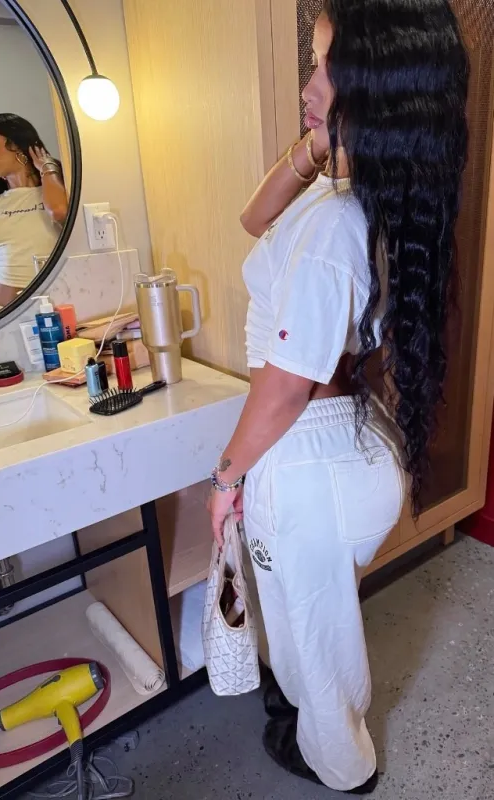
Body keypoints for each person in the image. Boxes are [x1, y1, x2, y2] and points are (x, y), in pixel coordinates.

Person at [208, 0, 469, 794]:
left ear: (376, 91)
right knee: (315, 624)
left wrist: (225, 480)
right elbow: (252, 218)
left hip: (309, 458)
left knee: (314, 641)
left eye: (326, 68)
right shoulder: (379, 194)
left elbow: (285, 386)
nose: (306, 84)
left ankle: (343, 766)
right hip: (345, 444)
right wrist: (320, 140)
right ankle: (313, 721)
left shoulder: (334, 226)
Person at [0, 113, 68, 321]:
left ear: (17, 143)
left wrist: (47, 167)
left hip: (54, 314)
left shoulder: (59, 191)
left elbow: (59, 211)